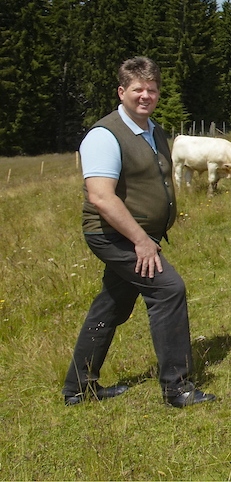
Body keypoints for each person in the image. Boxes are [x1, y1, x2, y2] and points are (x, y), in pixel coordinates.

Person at [63, 57, 215, 408]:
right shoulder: (104, 135)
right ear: (122, 91)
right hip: (114, 234)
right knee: (168, 290)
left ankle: (79, 387)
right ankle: (176, 388)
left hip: (139, 234)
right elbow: (101, 197)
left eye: (152, 89)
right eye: (137, 89)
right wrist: (141, 241)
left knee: (112, 305)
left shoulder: (153, 130)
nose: (145, 96)